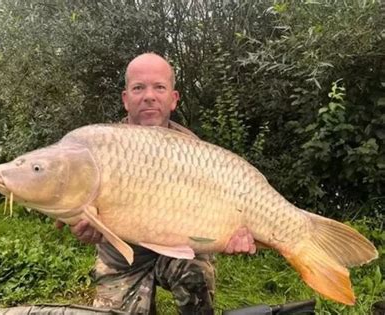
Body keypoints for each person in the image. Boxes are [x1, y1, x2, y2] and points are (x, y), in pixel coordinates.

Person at [56, 53, 256, 315]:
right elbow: (72, 207)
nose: (149, 96)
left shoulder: (194, 150)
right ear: (126, 99)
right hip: (123, 259)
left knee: (196, 276)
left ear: (173, 99)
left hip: (181, 253)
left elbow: (215, 214)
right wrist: (85, 230)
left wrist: (230, 234)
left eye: (159, 87)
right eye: (139, 88)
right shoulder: (102, 148)